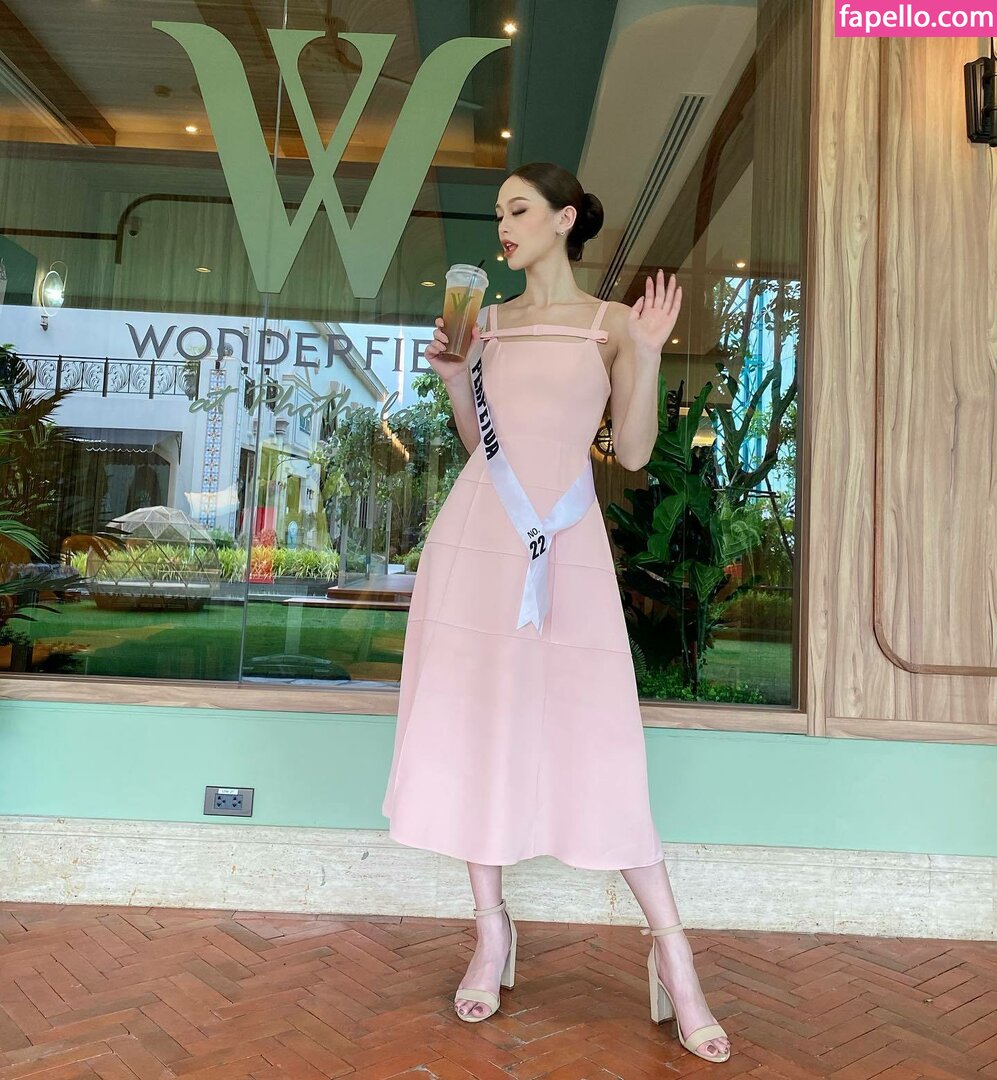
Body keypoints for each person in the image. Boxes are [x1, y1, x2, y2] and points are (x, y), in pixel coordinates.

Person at [380, 162, 730, 1063]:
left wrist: (646, 352)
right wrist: (455, 375)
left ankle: (673, 956)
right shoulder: (487, 324)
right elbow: (479, 444)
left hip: (564, 550)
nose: (503, 224)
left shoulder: (609, 324)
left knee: (598, 734)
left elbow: (636, 452)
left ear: (564, 218)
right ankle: (490, 932)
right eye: (499, 212)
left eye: (518, 209)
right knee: (477, 727)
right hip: (477, 543)